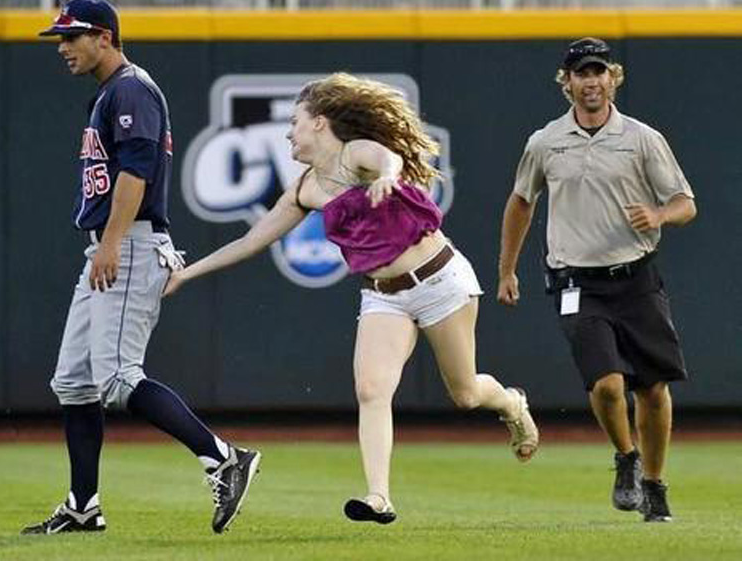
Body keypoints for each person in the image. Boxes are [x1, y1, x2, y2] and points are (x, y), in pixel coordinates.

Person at [165, 72, 539, 524]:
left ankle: (512, 404)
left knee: (465, 394)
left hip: (439, 281)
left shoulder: (353, 153)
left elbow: (387, 159)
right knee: (371, 390)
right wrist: (187, 274)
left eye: (295, 122)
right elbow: (251, 241)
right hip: (384, 296)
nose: (289, 133)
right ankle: (379, 496)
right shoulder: (304, 189)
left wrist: (387, 176)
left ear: (320, 123)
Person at [23, 0, 260, 536]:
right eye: (60, 38)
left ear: (104, 37)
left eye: (72, 36)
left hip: (128, 243)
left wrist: (110, 242)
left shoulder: (130, 88)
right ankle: (83, 506)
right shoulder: (110, 92)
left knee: (117, 377)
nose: (62, 47)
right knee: (74, 382)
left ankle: (223, 458)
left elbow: (136, 173)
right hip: (111, 244)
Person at [497, 37, 696, 522]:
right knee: (607, 386)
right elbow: (522, 201)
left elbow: (685, 203)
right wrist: (506, 269)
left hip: (636, 276)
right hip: (576, 282)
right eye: (581, 73)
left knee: (652, 389)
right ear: (566, 83)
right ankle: (626, 457)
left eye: (599, 71)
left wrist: (659, 214)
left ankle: (654, 485)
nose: (591, 81)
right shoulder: (546, 141)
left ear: (614, 78)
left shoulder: (642, 138)